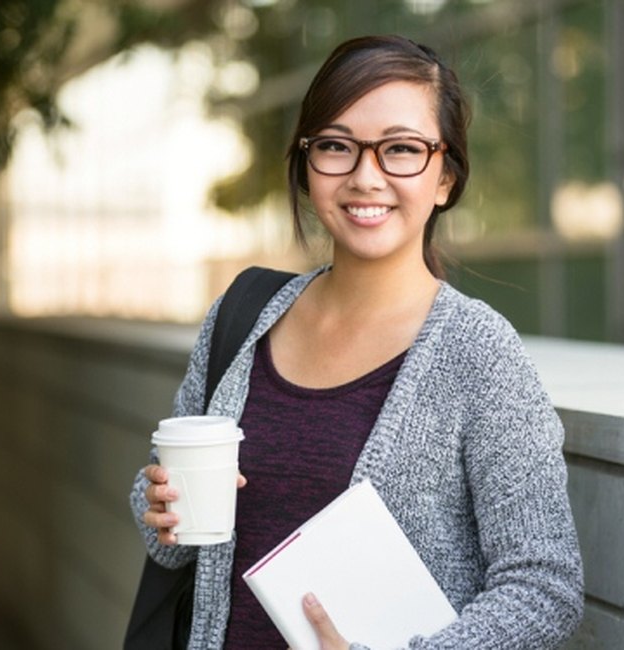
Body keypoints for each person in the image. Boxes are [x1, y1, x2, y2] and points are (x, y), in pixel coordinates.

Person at [130, 34, 583, 649]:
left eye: (401, 149)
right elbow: (176, 534)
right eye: (338, 147)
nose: (366, 177)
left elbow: (544, 587)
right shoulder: (242, 316)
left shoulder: (479, 353)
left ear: (445, 177)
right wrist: (159, 507)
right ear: (307, 163)